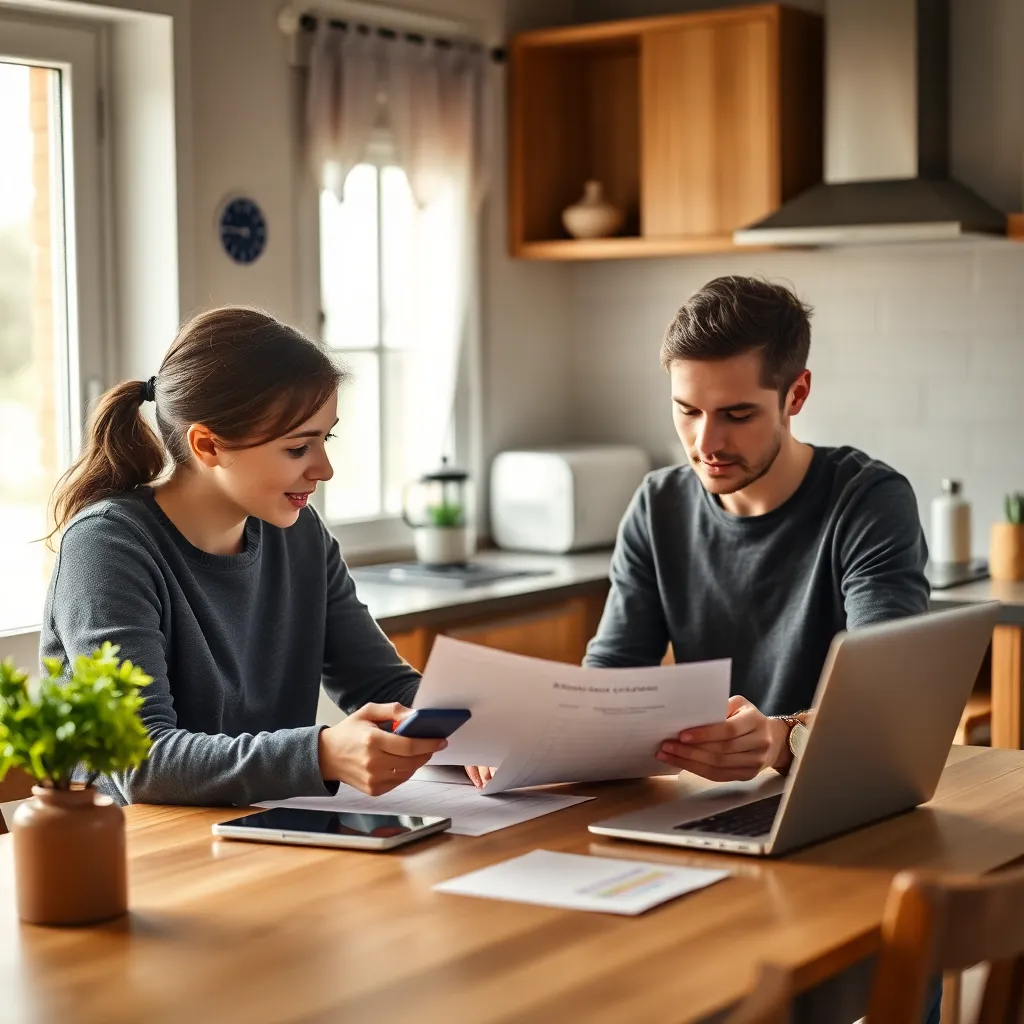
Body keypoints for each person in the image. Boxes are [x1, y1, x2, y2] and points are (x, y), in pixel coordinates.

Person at [583, 275, 938, 1024]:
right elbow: (609, 682)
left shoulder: (868, 501)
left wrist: (782, 737)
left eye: (737, 414)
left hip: (855, 834)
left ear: (796, 393)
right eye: (687, 411)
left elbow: (887, 704)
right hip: (708, 830)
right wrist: (545, 732)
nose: (706, 443)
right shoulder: (658, 506)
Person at [41, 306, 446, 807]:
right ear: (209, 445)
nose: (324, 469)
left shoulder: (300, 535)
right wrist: (321, 753)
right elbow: (140, 762)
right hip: (139, 853)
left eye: (326, 438)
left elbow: (380, 683)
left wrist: (487, 728)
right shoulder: (108, 547)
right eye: (298, 448)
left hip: (261, 832)